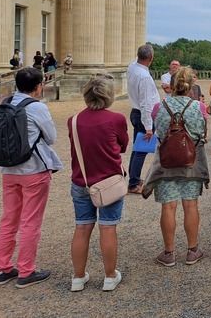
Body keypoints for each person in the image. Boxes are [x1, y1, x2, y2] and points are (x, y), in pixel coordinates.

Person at [0, 67, 63, 288]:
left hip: (9, 168)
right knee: (30, 221)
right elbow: (51, 138)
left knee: (8, 219)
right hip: (33, 168)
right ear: (38, 86)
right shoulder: (37, 107)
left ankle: (3, 268)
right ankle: (26, 270)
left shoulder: (5, 103)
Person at [143, 67, 209, 267]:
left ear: (171, 85)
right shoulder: (199, 107)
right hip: (192, 161)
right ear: (191, 86)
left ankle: (169, 252)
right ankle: (192, 250)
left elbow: (159, 132)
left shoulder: (159, 107)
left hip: (167, 161)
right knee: (191, 205)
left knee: (168, 206)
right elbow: (201, 133)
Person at [68, 76, 128, 292]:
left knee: (82, 227)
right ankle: (110, 276)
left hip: (81, 180)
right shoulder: (116, 119)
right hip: (109, 182)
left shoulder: (73, 120)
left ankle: (77, 277)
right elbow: (123, 145)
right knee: (108, 227)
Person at [126, 44, 161, 194]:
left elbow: (136, 60)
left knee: (136, 148)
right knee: (141, 151)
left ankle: (134, 177)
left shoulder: (132, 67)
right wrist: (148, 127)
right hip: (142, 114)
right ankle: (133, 183)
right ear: (151, 58)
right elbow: (146, 104)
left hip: (136, 111)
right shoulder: (145, 77)